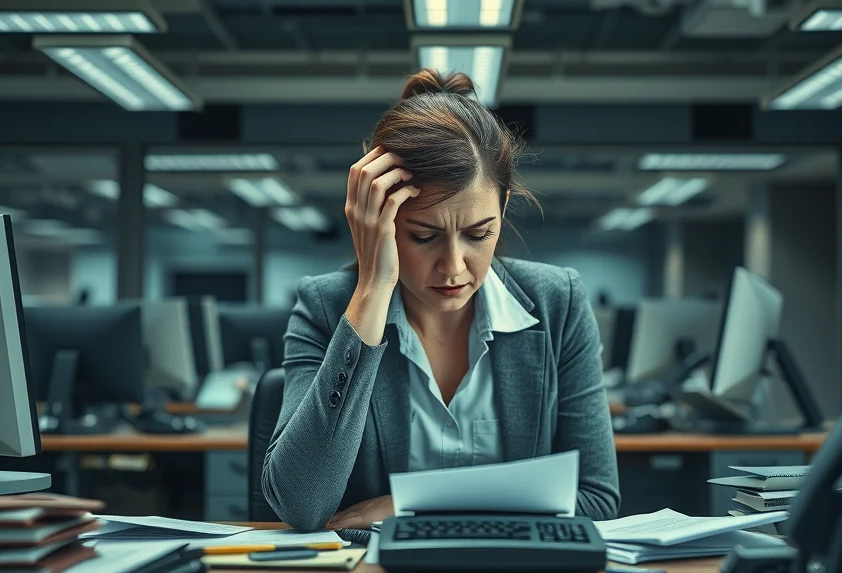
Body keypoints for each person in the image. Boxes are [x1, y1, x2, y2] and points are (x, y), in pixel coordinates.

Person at [261, 69, 620, 532]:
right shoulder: (326, 307)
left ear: (504, 206)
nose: (453, 266)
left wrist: (415, 503)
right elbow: (301, 505)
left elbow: (596, 498)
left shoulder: (558, 303)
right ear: (381, 221)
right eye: (423, 236)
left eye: (478, 234)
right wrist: (372, 286)